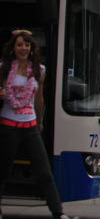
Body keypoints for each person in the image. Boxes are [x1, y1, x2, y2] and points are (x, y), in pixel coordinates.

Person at [0, 30, 76, 219]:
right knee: (2, 170)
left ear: (31, 48)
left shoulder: (39, 70)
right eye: (19, 45)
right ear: (13, 48)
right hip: (8, 125)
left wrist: (40, 120)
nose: (23, 48)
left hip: (30, 125)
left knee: (44, 171)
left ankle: (58, 213)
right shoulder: (4, 68)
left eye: (26, 45)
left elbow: (39, 97)